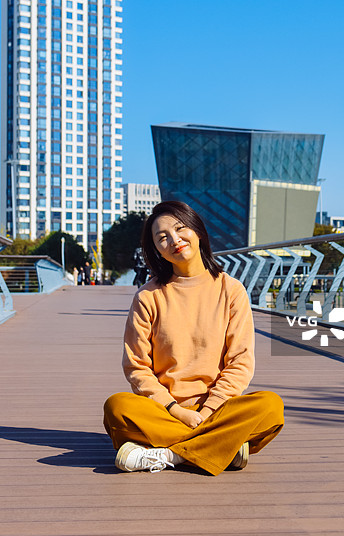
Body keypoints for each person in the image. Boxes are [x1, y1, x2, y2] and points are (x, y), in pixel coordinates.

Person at [103, 200, 284, 475]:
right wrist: (177, 411)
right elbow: (137, 367)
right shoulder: (148, 297)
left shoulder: (231, 290)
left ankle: (169, 455)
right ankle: (221, 446)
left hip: (219, 409)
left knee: (270, 407)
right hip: (165, 411)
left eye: (180, 228)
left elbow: (240, 363)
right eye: (162, 237)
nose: (174, 240)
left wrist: (208, 411)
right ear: (156, 250)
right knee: (117, 407)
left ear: (197, 231)